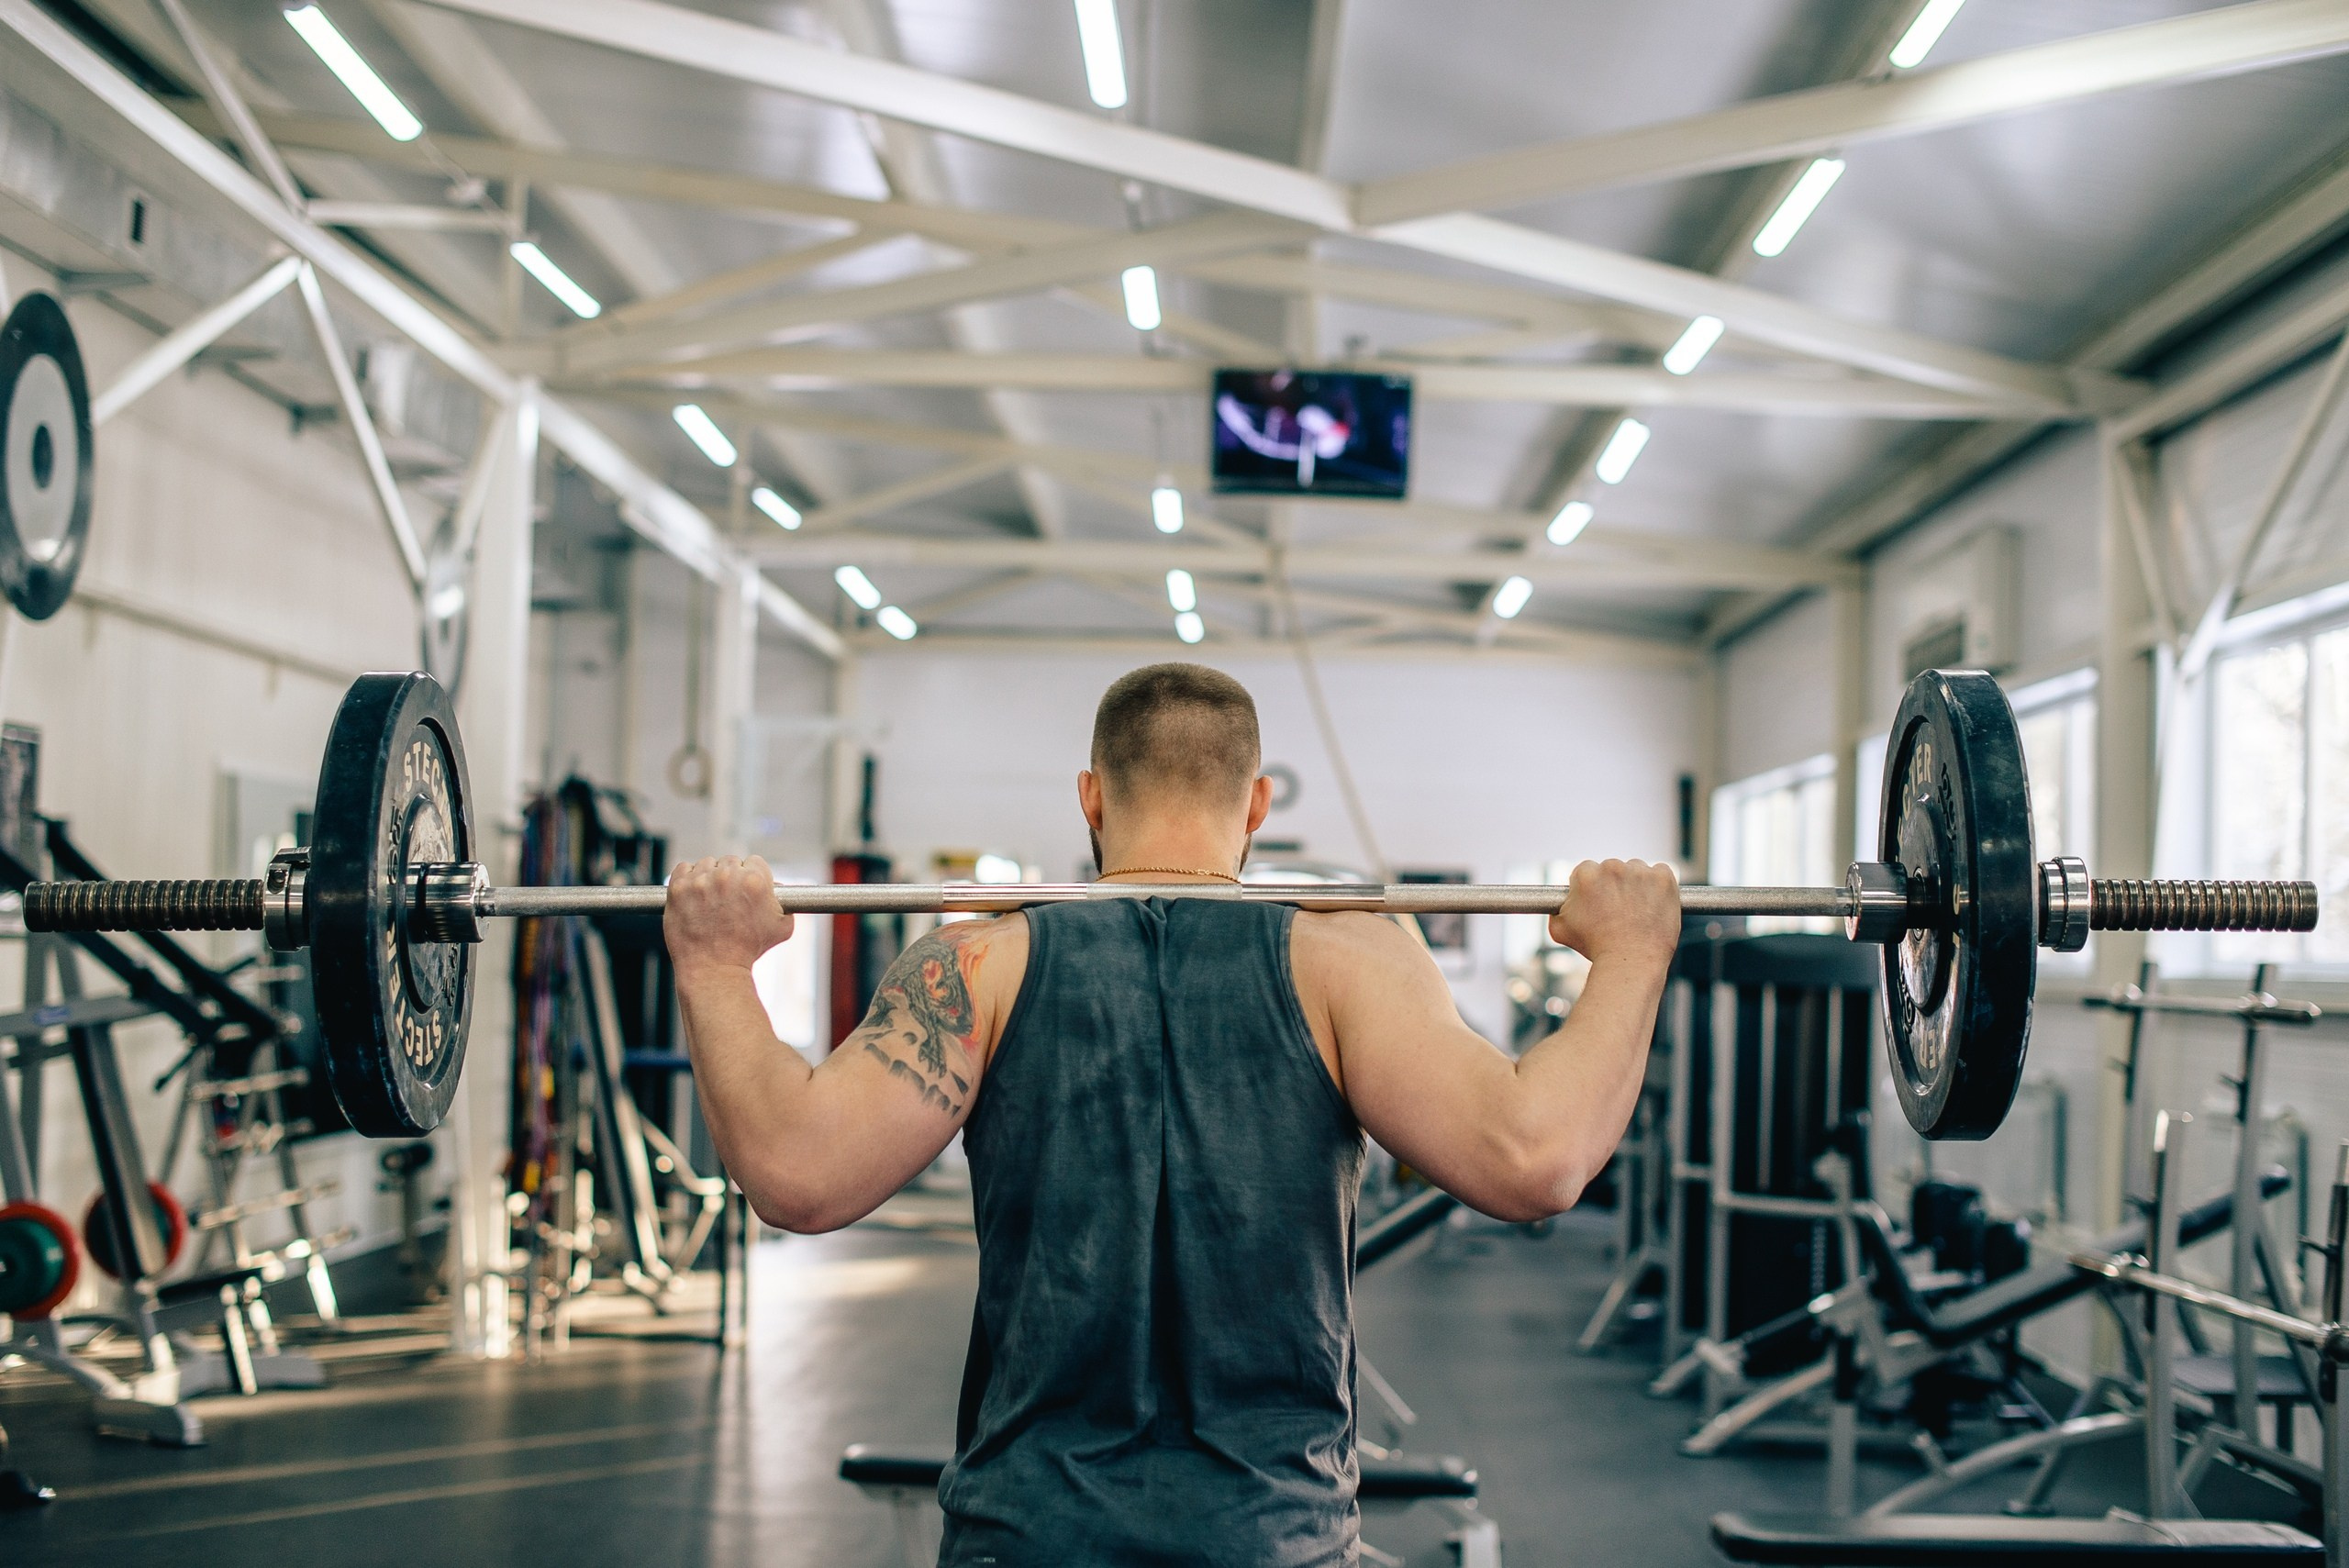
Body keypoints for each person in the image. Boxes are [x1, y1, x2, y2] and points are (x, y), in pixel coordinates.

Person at [664, 662, 1681, 1567]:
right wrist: (1633, 950)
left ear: (1090, 795)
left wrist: (712, 962)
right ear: (1257, 805)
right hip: (1272, 1531)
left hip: (1028, 1531)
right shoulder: (1348, 957)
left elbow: (796, 1174)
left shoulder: (979, 963)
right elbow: (1535, 1158)